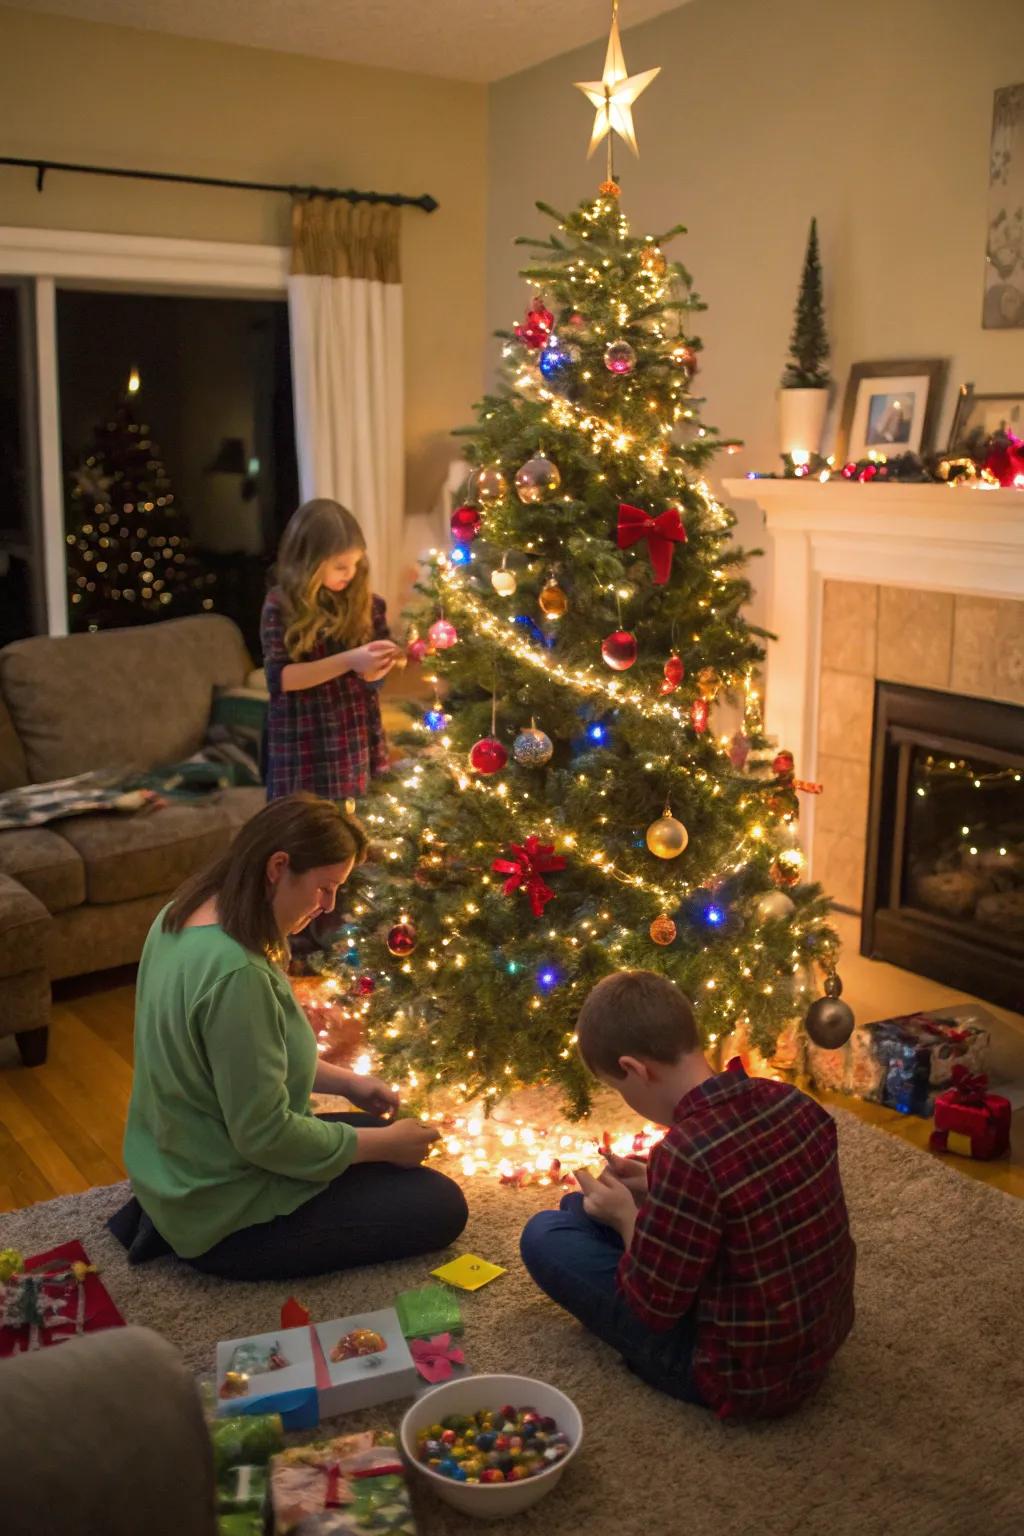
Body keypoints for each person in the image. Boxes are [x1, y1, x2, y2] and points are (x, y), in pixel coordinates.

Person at [109, 794, 467, 1281]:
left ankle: (169, 1213)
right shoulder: (238, 973)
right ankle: (200, 1236)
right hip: (224, 1209)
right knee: (439, 1204)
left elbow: (237, 1060)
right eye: (325, 888)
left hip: (179, 1164)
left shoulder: (180, 916)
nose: (327, 907)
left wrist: (346, 1083)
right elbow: (266, 1136)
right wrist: (384, 1147)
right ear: (279, 866)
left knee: (373, 1128)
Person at [520, 971, 856, 1419]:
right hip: (817, 1338)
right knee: (576, 1210)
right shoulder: (792, 1102)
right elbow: (748, 1198)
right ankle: (606, 1214)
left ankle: (608, 1224)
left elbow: (653, 1306)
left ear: (635, 1070)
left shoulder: (686, 1152)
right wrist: (657, 1182)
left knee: (546, 1234)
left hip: (738, 1377)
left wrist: (627, 1217)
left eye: (620, 1089)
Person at [260, 499, 401, 803]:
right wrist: (351, 659)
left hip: (356, 741)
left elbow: (372, 682)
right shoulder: (280, 606)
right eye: (340, 566)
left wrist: (377, 666)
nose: (350, 573)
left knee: (360, 831)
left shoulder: (369, 604)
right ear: (309, 562)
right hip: (304, 745)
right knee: (303, 834)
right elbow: (282, 679)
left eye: (355, 563)